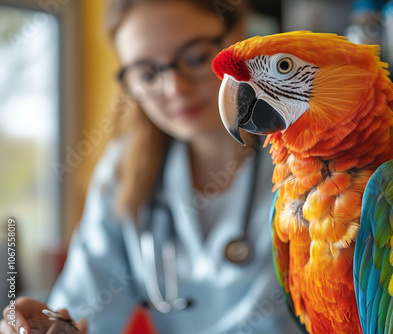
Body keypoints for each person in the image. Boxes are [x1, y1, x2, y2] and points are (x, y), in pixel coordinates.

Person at [1, 0, 303, 333]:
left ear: (238, 35)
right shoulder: (122, 172)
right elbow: (83, 309)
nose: (176, 88)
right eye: (147, 73)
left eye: (197, 57)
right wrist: (48, 325)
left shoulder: (314, 163)